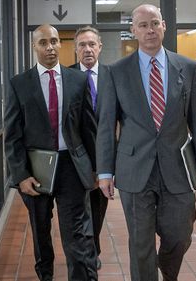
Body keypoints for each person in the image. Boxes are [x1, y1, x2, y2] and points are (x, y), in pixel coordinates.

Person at [96, 4, 196, 281]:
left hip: (178, 167)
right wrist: (104, 172)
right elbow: (106, 125)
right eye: (143, 25)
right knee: (140, 242)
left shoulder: (187, 68)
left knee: (180, 234)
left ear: (163, 26)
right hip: (134, 168)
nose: (150, 30)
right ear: (133, 31)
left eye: (154, 23)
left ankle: (167, 270)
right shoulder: (116, 72)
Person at [4, 24, 98, 281]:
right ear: (34, 46)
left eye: (54, 41)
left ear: (61, 44)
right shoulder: (19, 84)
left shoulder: (79, 80)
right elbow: (12, 136)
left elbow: (89, 129)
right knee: (41, 233)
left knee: (75, 235)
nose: (50, 47)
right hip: (36, 170)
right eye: (43, 42)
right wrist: (21, 175)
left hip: (71, 167)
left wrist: (96, 168)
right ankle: (45, 275)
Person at [70, 25, 110, 270]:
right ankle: (83, 252)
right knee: (76, 211)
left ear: (100, 48)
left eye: (91, 44)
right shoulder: (66, 76)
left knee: (97, 209)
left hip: (104, 160)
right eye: (82, 45)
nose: (87, 49)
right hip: (75, 160)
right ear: (75, 49)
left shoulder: (112, 76)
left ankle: (93, 249)